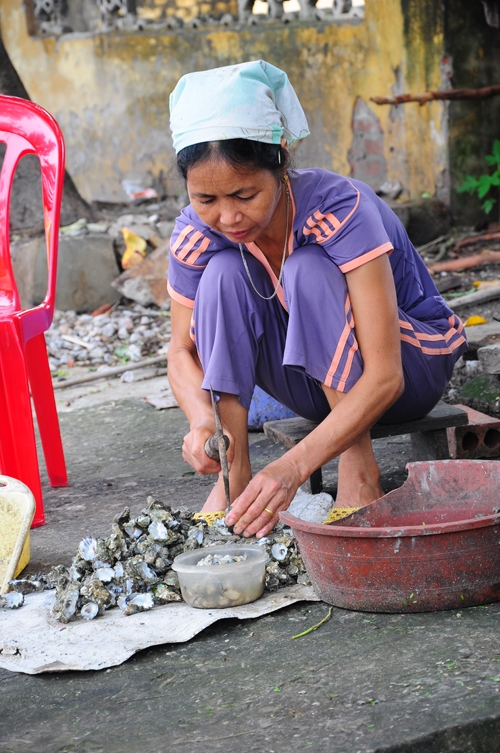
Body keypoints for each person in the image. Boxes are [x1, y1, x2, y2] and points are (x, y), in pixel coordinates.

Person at [166, 60, 467, 539]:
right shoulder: (197, 235)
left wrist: (292, 468)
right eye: (205, 199)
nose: (226, 216)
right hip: (312, 388)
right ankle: (234, 471)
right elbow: (181, 351)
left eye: (245, 194)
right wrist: (204, 421)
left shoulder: (340, 207)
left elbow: (386, 376)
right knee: (222, 273)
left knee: (306, 266)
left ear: (281, 161)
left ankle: (360, 473)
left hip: (409, 369)